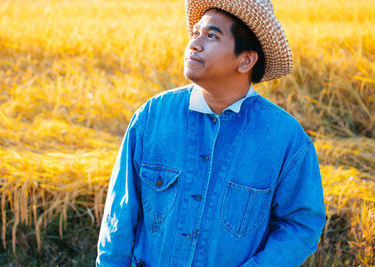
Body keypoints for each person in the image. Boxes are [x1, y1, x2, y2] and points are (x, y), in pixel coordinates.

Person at [96, 0, 326, 266]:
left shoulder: (287, 140)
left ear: (246, 60)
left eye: (212, 36)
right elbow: (119, 218)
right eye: (195, 33)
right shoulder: (151, 118)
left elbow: (301, 225)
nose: (194, 43)